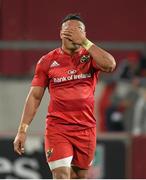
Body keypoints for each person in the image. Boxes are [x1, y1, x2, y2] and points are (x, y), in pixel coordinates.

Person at [13, 13, 116, 179]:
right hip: (58, 128)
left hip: (86, 128)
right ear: (61, 33)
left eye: (79, 30)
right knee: (61, 175)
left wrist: (85, 42)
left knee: (79, 176)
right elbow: (34, 97)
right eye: (70, 29)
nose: (75, 33)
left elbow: (110, 65)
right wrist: (22, 130)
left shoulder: (90, 56)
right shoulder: (47, 61)